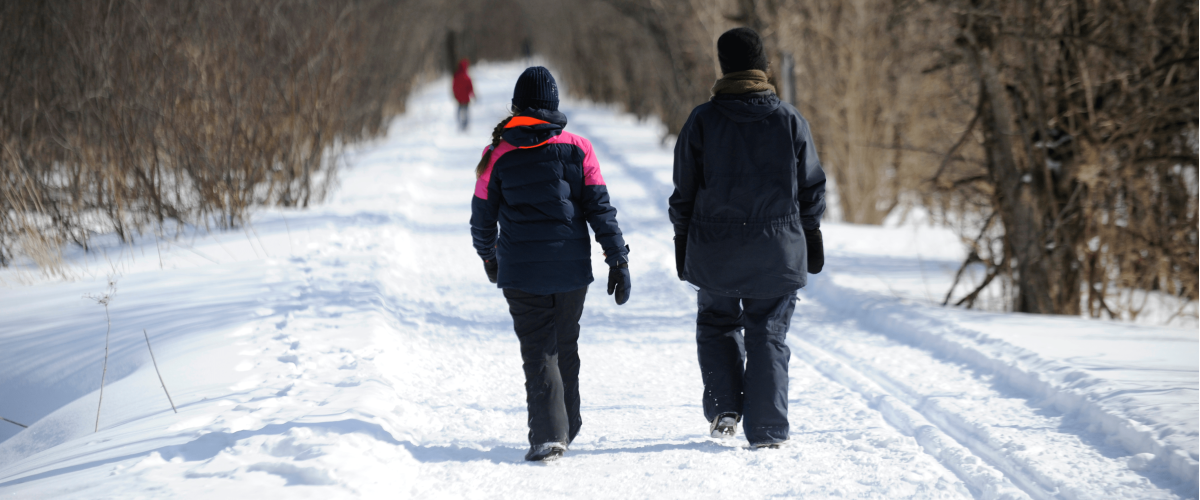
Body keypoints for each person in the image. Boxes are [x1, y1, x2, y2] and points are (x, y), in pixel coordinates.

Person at [668, 27, 826, 449]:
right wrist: (811, 234)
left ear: (724, 67)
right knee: (767, 331)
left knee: (717, 324)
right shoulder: (789, 119)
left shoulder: (702, 121)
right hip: (777, 249)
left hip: (715, 249)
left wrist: (682, 241)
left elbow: (684, 192)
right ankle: (768, 430)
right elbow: (811, 187)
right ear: (764, 67)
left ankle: (725, 408)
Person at [470, 66, 632, 462]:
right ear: (554, 104)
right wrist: (617, 259)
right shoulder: (579, 148)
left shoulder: (496, 154)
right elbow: (600, 208)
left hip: (521, 272)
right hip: (571, 270)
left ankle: (549, 435)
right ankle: (566, 426)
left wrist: (489, 257)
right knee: (565, 343)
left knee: (539, 349)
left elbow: (481, 219)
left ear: (517, 106)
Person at [452, 59, 475, 131]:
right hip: (466, 98)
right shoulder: (467, 77)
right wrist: (472, 94)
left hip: (459, 98)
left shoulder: (456, 76)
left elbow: (454, 86)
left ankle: (460, 124)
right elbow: (470, 87)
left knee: (459, 112)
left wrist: (455, 94)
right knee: (466, 112)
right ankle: (465, 125)